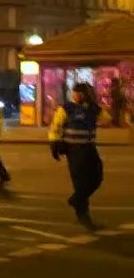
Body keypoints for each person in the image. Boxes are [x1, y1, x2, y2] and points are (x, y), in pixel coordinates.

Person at [49, 82, 107, 229]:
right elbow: (55, 127)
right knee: (80, 181)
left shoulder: (93, 109)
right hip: (74, 150)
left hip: (89, 148)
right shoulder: (66, 109)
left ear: (85, 94)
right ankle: (83, 215)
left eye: (78, 93)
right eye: (74, 92)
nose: (75, 95)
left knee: (97, 176)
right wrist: (54, 144)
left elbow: (107, 118)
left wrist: (93, 106)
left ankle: (76, 199)